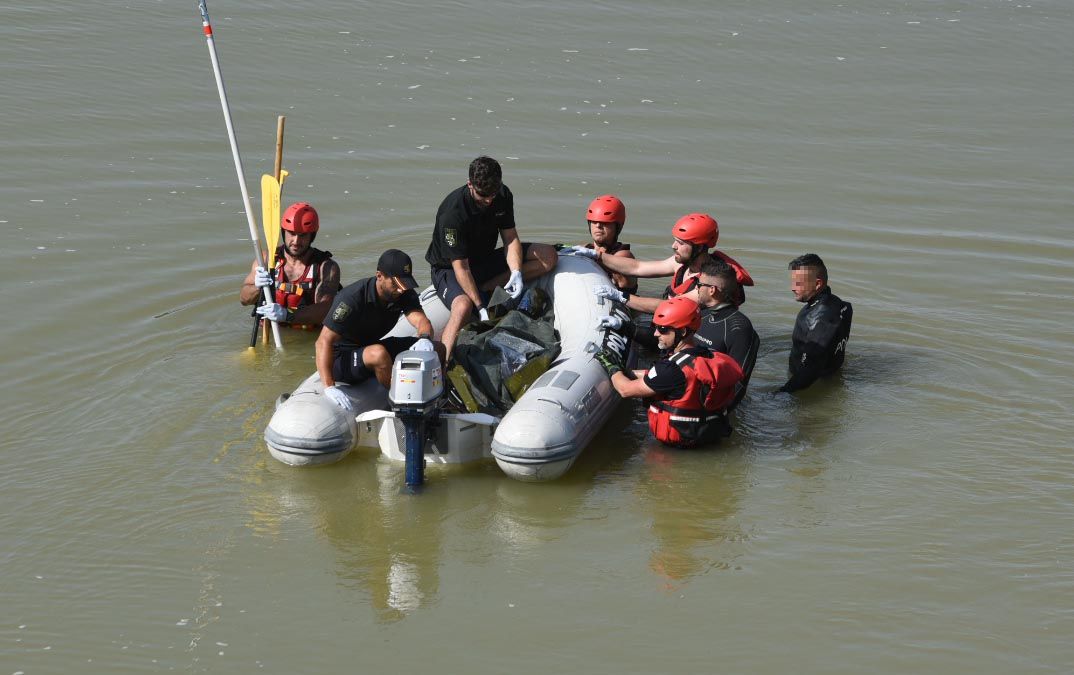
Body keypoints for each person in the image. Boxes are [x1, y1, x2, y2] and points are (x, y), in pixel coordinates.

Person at [425, 156, 558, 360]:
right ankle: (441, 364)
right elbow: (461, 267)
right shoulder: (452, 214)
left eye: (493, 194)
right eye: (483, 195)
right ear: (470, 184)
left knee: (548, 256)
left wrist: (515, 272)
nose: (489, 200)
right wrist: (480, 308)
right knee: (463, 306)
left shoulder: (502, 195)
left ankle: (488, 288)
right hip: (450, 269)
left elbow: (510, 238)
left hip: (483, 260)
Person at [594, 297, 744, 448]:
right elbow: (664, 377)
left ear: (683, 331)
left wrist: (611, 367)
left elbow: (625, 390)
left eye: (663, 329)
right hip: (710, 439)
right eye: (656, 327)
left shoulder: (671, 369)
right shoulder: (706, 355)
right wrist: (626, 371)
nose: (655, 334)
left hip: (678, 449)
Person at [315, 249, 443, 411]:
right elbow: (323, 341)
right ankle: (403, 404)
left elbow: (420, 320)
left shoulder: (403, 294)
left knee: (438, 348)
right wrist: (329, 386)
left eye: (404, 284)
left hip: (372, 346)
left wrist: (425, 337)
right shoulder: (351, 299)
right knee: (378, 353)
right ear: (379, 276)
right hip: (342, 358)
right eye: (395, 284)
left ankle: (439, 398)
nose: (400, 290)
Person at [564, 212, 754, 312]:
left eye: (680, 243)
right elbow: (637, 267)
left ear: (699, 247)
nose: (673, 246)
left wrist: (622, 297)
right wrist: (597, 255)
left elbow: (667, 306)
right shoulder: (680, 263)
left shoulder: (709, 284)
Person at [240, 202, 341, 329]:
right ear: (283, 232)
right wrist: (257, 287)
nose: (296, 241)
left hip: (305, 337)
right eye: (291, 233)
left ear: (312, 236)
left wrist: (287, 315)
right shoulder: (267, 259)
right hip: (269, 331)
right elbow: (244, 299)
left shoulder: (326, 267)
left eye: (303, 235)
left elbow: (325, 310)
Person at [779, 253, 853, 393]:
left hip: (815, 384)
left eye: (799, 283)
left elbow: (809, 370)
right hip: (834, 374)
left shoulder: (817, 320)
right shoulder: (842, 306)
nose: (793, 288)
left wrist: (780, 394)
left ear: (818, 284)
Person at [694, 259, 760, 409]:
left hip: (709, 408)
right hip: (689, 395)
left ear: (712, 290)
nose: (696, 289)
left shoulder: (738, 328)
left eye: (699, 285)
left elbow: (739, 382)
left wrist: (712, 416)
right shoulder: (702, 315)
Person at [582, 194, 637, 294]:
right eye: (594, 222)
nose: (598, 226)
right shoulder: (586, 248)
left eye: (605, 222)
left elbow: (623, 283)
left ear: (617, 227)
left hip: (623, 305)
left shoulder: (623, 255)